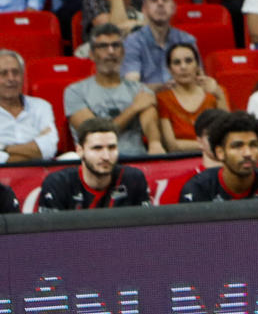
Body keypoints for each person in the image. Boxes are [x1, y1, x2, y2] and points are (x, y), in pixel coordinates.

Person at [63, 21, 160, 155]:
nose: (111, 51)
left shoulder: (140, 90)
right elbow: (94, 134)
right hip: (96, 163)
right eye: (103, 46)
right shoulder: (75, 92)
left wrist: (155, 145)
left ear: (123, 52)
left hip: (137, 160)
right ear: (91, 54)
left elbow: (151, 127)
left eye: (116, 45)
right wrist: (134, 108)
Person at [37, 117, 152, 208]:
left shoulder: (134, 179)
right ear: (80, 151)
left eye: (112, 148)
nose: (106, 156)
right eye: (97, 148)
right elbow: (50, 236)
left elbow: (148, 229)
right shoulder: (58, 183)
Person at [152, 41, 229, 153]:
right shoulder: (163, 98)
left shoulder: (216, 93)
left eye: (189, 61)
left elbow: (228, 135)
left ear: (197, 66)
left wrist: (219, 96)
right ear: (169, 69)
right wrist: (210, 144)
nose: (183, 67)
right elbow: (172, 145)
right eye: (177, 63)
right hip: (181, 160)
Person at [0, 49, 57, 162]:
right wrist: (35, 148)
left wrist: (4, 148)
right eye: (3, 73)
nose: (11, 79)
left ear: (22, 76)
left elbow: (50, 148)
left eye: (16, 72)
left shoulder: (41, 106)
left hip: (40, 169)